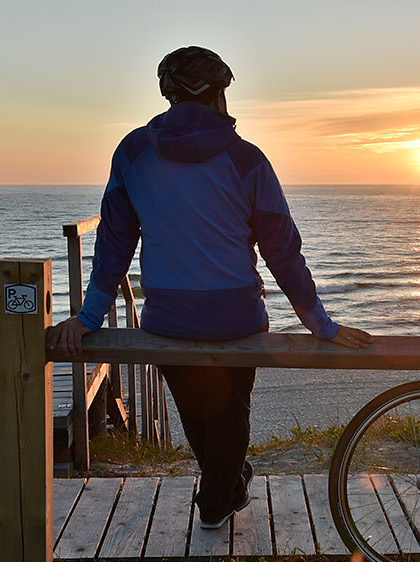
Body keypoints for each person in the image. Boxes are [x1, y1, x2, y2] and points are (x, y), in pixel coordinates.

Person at [48, 46, 371, 530]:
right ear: (221, 93)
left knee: (201, 418)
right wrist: (319, 324)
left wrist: (89, 316)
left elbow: (115, 242)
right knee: (228, 414)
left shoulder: (133, 152)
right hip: (237, 319)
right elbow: (281, 250)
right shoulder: (248, 159)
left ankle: (226, 485)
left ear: (167, 93)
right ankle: (219, 500)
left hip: (166, 319)